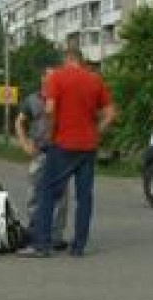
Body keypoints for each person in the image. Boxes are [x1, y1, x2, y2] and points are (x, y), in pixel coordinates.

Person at [19, 46, 116, 258]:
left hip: (63, 145)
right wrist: (95, 131)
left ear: (67, 59)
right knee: (84, 198)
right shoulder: (95, 80)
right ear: (80, 60)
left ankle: (41, 245)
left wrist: (53, 132)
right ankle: (78, 246)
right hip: (88, 147)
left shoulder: (57, 78)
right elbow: (110, 114)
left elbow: (51, 109)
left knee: (46, 192)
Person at [14, 64, 69, 251]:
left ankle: (55, 237)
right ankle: (35, 232)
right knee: (34, 194)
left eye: (57, 77)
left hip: (61, 153)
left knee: (60, 197)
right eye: (50, 77)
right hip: (39, 152)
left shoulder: (64, 99)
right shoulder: (32, 100)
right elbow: (19, 122)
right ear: (43, 79)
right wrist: (24, 143)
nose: (54, 80)